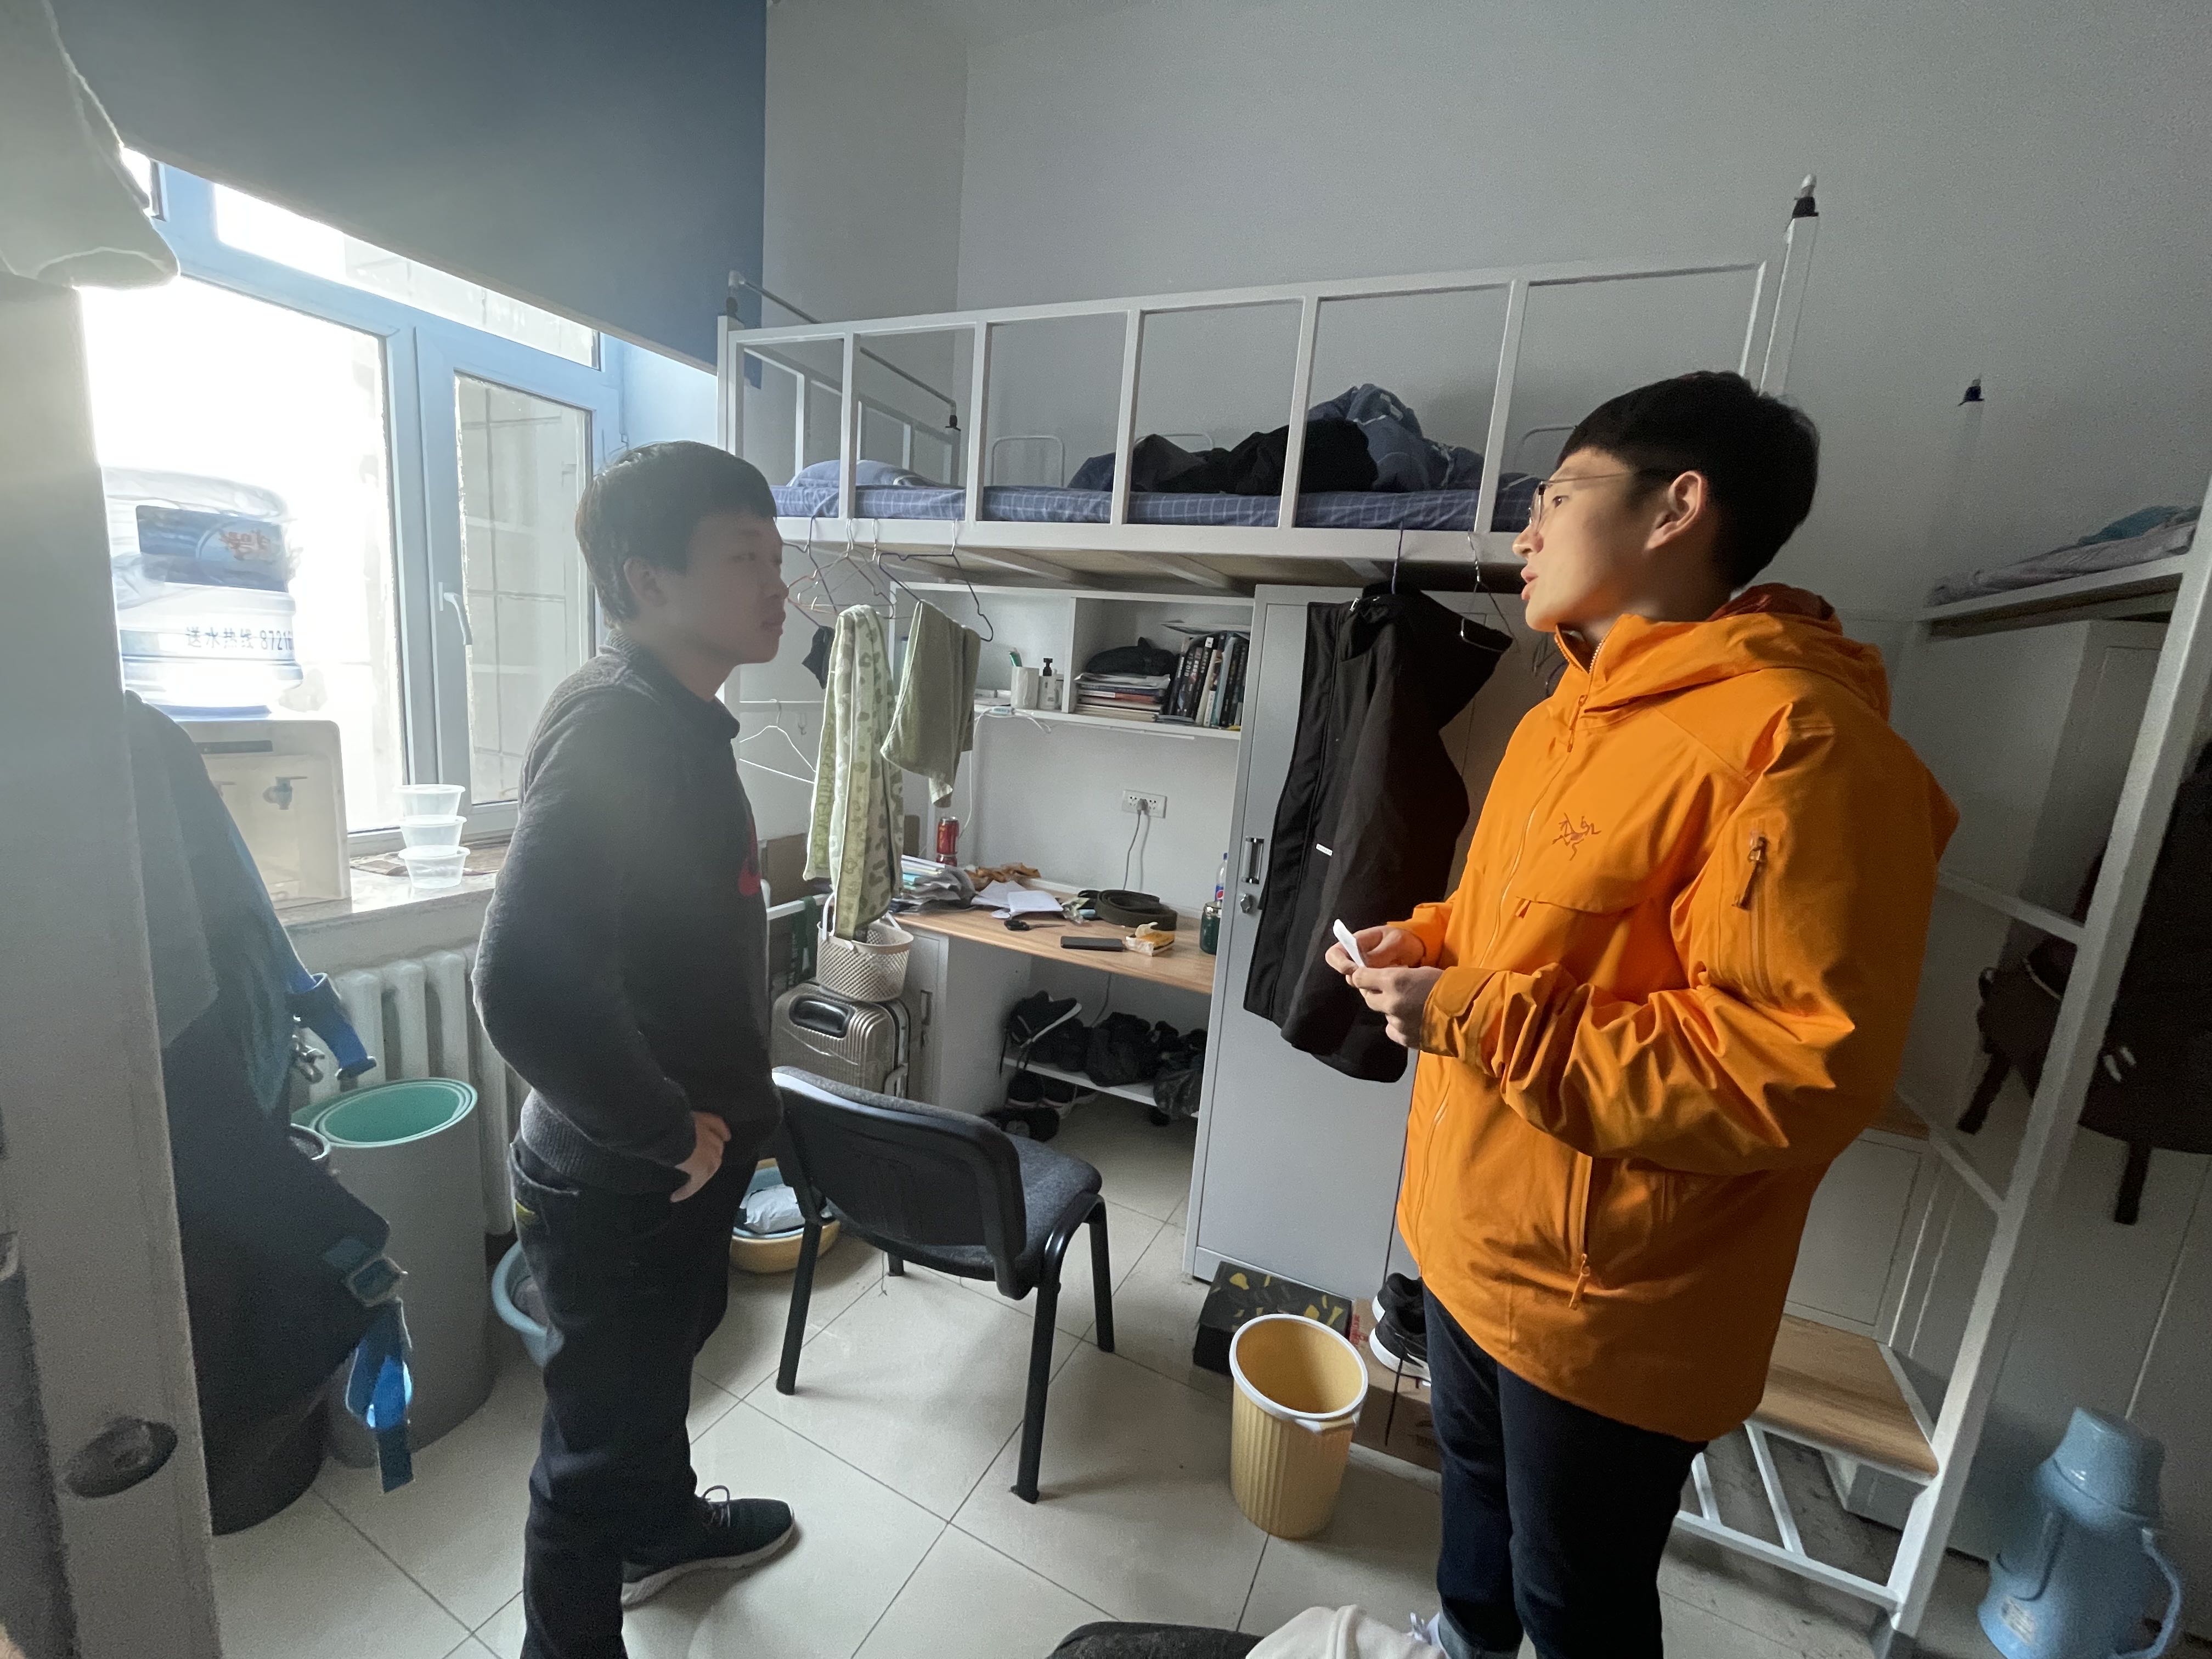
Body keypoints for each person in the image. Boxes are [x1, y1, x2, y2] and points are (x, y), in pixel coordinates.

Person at [1328, 373, 1956, 1659]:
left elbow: (1789, 1070)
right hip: (1472, 1237)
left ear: (1677, 508)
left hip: (1608, 1305)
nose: (1525, 531)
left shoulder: (1802, 746)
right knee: (1475, 1519)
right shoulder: (1566, 714)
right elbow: (1519, 925)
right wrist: (1428, 943)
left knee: (1578, 1600)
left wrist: (1474, 1014)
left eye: (1557, 496)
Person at [477, 442, 795, 1659]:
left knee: (651, 1383)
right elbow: (521, 979)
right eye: (745, 557)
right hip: (624, 1172)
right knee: (588, 1454)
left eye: (777, 555)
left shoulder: (675, 717)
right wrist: (664, 1129)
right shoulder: (619, 728)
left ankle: (660, 1530)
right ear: (646, 581)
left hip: (669, 1166)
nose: (777, 583)